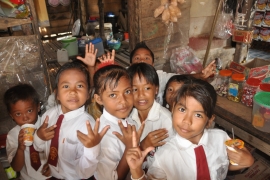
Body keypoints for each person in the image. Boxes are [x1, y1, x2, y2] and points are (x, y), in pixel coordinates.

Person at [126, 79, 254, 180]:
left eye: (198, 115)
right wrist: (137, 172)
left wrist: (247, 161)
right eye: (182, 109)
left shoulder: (221, 139)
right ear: (173, 108)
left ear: (209, 120)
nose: (187, 121)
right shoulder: (164, 156)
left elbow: (222, 166)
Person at [33, 61, 109, 179]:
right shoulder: (48, 116)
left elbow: (85, 173)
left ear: (88, 93)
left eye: (79, 86)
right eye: (66, 86)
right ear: (57, 94)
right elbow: (38, 147)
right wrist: (39, 137)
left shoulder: (87, 126)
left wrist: (92, 149)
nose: (73, 91)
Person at [77, 41, 216, 105]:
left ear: (153, 64)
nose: (142, 61)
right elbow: (99, 85)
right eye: (137, 58)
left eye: (146, 58)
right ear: (131, 64)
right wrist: (91, 67)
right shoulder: (125, 75)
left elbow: (179, 78)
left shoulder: (159, 75)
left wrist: (200, 76)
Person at [92, 64, 145, 180]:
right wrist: (129, 148)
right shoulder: (104, 135)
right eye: (113, 95)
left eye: (127, 91)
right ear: (99, 99)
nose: (123, 101)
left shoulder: (129, 119)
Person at [128, 63, 173, 170]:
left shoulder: (166, 121)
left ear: (156, 90)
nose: (141, 95)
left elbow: (169, 163)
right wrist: (143, 146)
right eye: (135, 89)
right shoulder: (128, 117)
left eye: (147, 88)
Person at [4, 83, 51, 180]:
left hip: (52, 176)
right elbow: (16, 167)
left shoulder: (48, 125)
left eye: (29, 111)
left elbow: (62, 151)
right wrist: (20, 148)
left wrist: (55, 165)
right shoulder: (12, 135)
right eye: (18, 114)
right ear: (11, 115)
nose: (25, 117)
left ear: (38, 107)